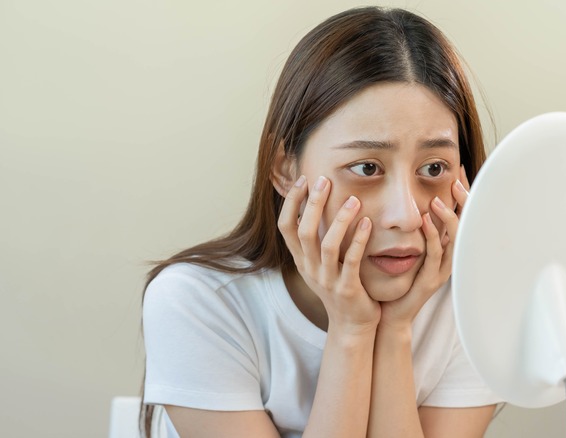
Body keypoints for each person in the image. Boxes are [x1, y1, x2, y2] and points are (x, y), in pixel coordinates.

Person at [141, 6, 501, 437]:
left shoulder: (473, 308)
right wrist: (352, 330)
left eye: (434, 169)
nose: (406, 216)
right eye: (367, 168)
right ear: (286, 169)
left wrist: (393, 332)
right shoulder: (200, 303)